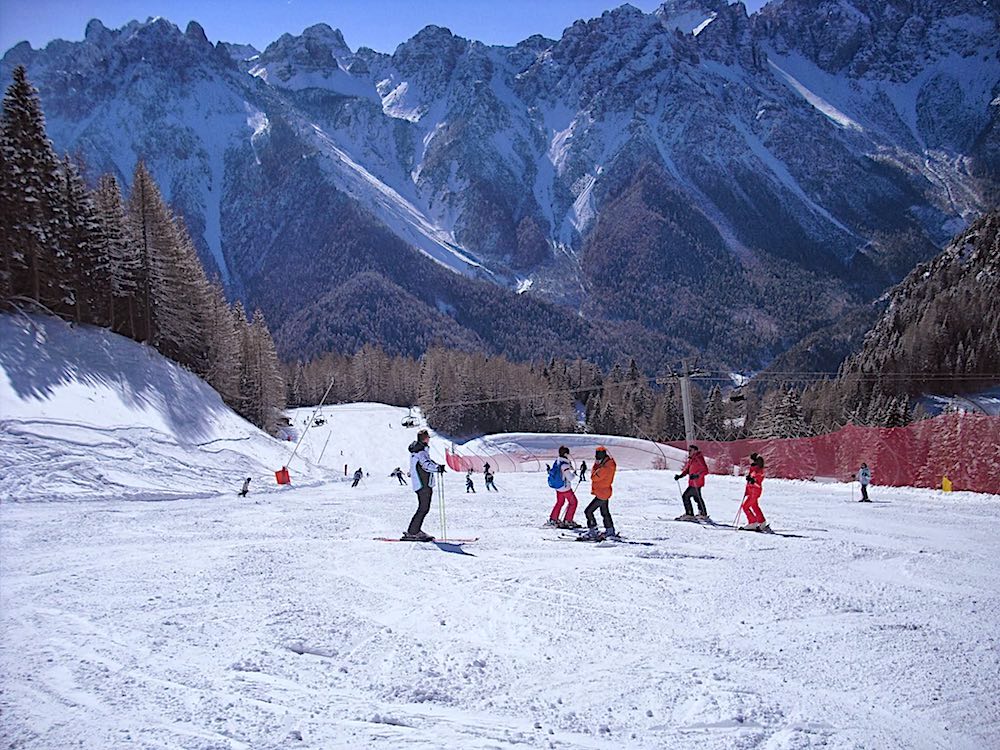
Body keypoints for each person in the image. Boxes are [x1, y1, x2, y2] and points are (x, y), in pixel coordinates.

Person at [403, 429, 445, 541]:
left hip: (421, 483)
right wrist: (437, 468)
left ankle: (414, 530)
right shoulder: (420, 452)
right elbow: (426, 465)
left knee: (423, 508)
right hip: (423, 484)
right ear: (425, 439)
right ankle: (413, 531)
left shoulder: (417, 451)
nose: (429, 439)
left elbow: (427, 462)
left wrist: (436, 465)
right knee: (423, 508)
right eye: (428, 437)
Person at [582, 446, 618, 540]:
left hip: (602, 493)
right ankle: (610, 530)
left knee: (588, 511)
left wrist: (596, 465)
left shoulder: (605, 468)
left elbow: (594, 477)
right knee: (605, 512)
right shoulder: (609, 464)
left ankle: (592, 530)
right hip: (605, 492)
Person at [546, 446, 580, 528]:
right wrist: (574, 474)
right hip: (565, 488)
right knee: (573, 502)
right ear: (565, 454)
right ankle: (568, 520)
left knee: (560, 502)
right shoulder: (564, 465)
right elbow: (570, 478)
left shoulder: (557, 461)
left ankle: (553, 518)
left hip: (558, 487)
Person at [674, 445, 710, 521]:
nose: (689, 452)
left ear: (695, 451)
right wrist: (680, 476)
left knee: (686, 496)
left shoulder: (699, 458)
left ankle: (689, 514)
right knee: (697, 498)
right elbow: (687, 470)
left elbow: (705, 470)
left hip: (697, 482)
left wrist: (697, 475)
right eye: (688, 450)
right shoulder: (692, 459)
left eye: (690, 450)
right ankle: (703, 513)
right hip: (692, 482)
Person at [740, 453, 770, 532]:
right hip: (752, 491)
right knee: (754, 506)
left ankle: (752, 522)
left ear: (754, 460)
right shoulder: (753, 468)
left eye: (750, 459)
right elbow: (752, 479)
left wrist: (752, 481)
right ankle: (762, 521)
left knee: (745, 506)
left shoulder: (758, 469)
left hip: (755, 492)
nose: (749, 461)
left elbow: (758, 481)